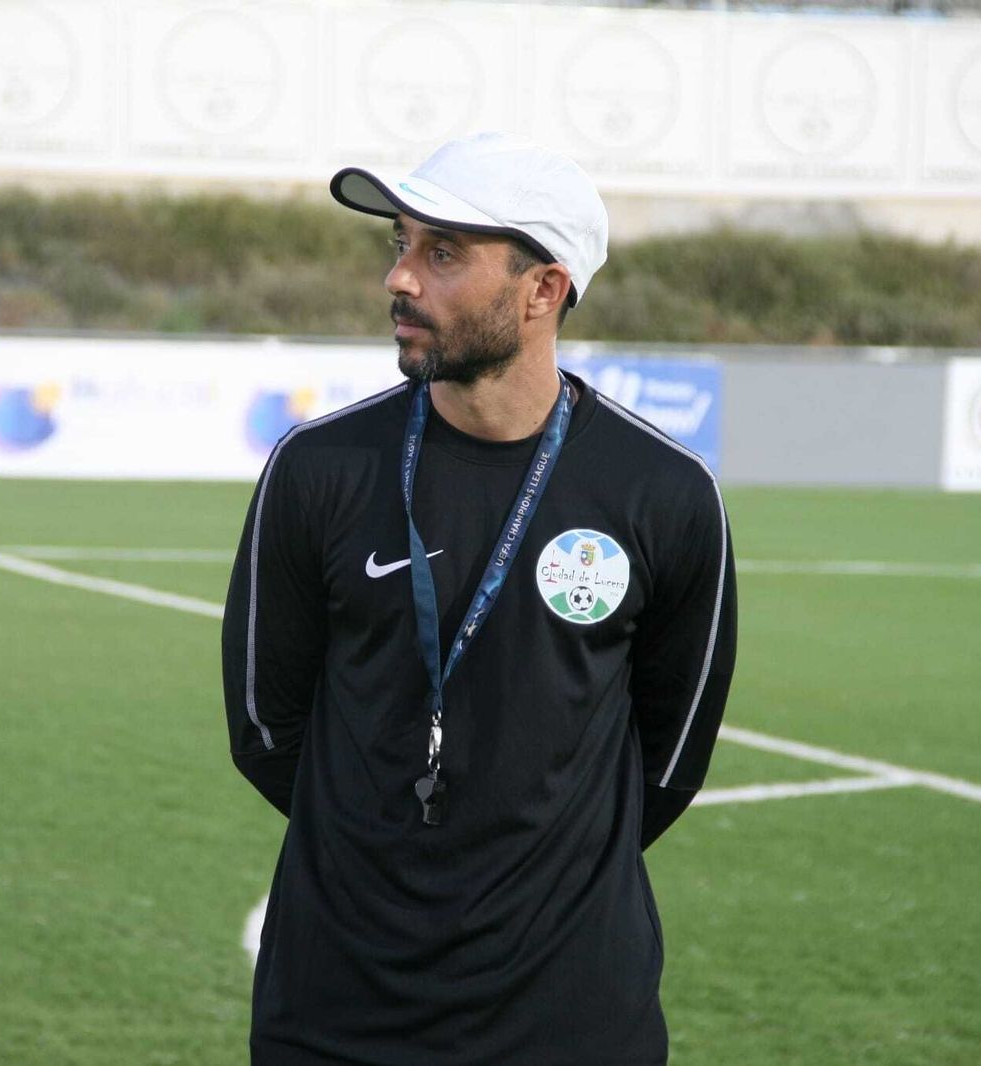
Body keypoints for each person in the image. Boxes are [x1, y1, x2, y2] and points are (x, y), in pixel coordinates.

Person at [221, 131, 737, 1065]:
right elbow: (263, 724)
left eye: (443, 252)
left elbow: (670, 760)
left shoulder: (664, 493)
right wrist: (385, 851)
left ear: (544, 290)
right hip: (337, 1003)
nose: (400, 279)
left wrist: (534, 875)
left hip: (570, 1011)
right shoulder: (320, 468)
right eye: (401, 245)